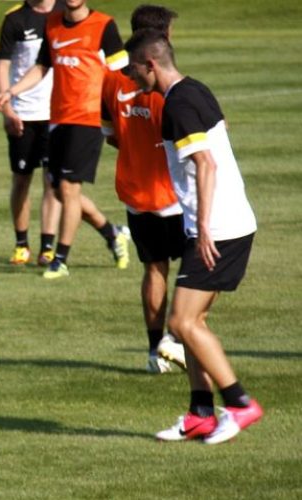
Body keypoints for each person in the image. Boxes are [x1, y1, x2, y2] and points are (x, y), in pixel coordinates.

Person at [125, 29, 263, 444]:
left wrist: (202, 226)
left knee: (182, 320)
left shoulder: (177, 106)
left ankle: (240, 405)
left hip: (217, 229)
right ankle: (201, 413)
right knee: (193, 323)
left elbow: (206, 164)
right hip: (223, 224)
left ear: (150, 64)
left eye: (133, 69)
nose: (130, 77)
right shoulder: (194, 90)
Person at [0, 0, 131, 279]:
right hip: (58, 118)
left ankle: (60, 259)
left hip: (88, 118)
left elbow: (123, 74)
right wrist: (11, 93)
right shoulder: (53, 25)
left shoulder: (104, 25)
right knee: (60, 191)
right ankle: (112, 233)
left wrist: (119, 118)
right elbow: (42, 67)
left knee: (67, 189)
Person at [101, 4, 186, 373]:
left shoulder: (111, 80)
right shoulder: (167, 87)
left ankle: (155, 353)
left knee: (154, 269)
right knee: (194, 271)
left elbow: (110, 136)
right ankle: (177, 338)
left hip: (135, 195)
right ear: (161, 38)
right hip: (174, 194)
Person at [0, 0, 62, 266]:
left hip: (57, 113)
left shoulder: (64, 13)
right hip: (23, 112)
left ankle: (47, 247)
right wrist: (7, 109)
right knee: (21, 180)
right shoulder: (14, 19)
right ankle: (21, 244)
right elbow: (2, 67)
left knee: (51, 182)